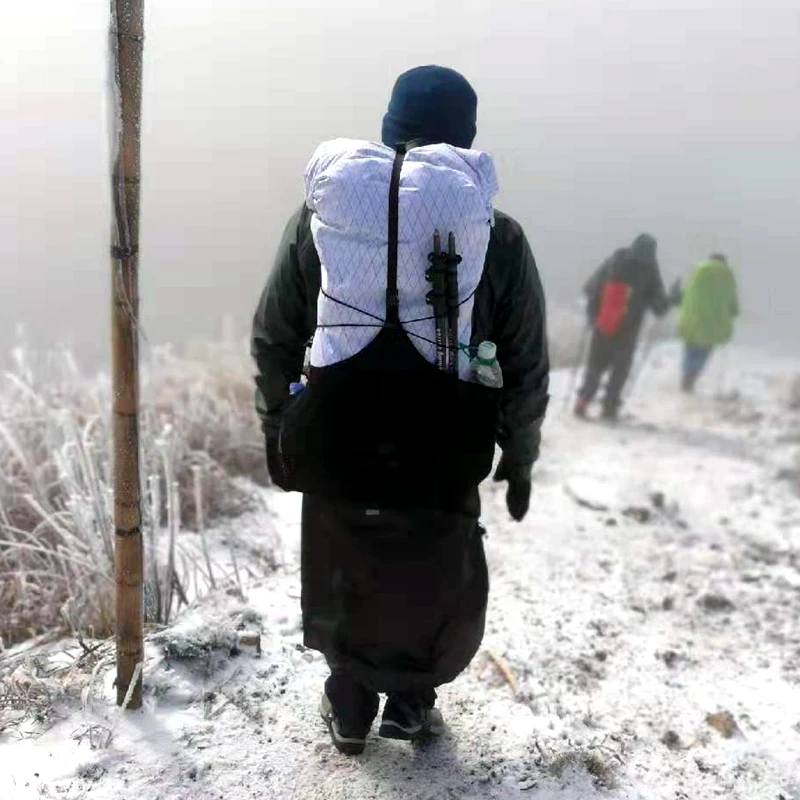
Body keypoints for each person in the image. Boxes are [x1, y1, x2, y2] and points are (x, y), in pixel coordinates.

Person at [251, 66, 549, 755]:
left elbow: (275, 330)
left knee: (340, 555)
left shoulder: (323, 220)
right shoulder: (494, 236)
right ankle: (412, 703)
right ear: (464, 141)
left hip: (337, 430)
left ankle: (349, 702)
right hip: (443, 439)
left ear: (391, 131)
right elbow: (526, 358)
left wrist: (276, 427)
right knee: (432, 565)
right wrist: (521, 454)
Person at [574, 234, 680, 420]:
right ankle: (609, 409)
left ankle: (583, 401)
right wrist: (673, 298)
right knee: (620, 370)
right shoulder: (649, 268)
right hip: (628, 330)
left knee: (595, 366)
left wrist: (592, 315)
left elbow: (590, 288)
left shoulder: (615, 260)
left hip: (603, 324)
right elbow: (659, 307)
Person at [678, 253, 739, 392]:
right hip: (714, 325)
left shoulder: (699, 270)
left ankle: (685, 379)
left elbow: (687, 293)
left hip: (693, 319)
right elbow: (733, 305)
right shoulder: (728, 276)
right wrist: (734, 311)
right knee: (703, 353)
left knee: (690, 350)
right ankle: (692, 380)